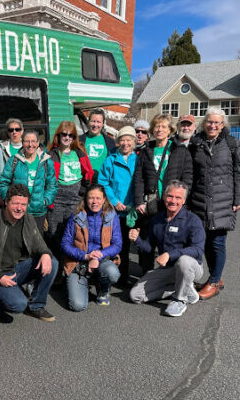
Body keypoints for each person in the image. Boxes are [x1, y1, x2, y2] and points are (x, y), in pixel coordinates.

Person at [0, 184, 58, 322]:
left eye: (23, 204)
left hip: (17, 269)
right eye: (15, 203)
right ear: (6, 202)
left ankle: (36, 306)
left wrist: (45, 253)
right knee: (18, 304)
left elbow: (38, 242)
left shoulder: (28, 219)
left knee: (52, 262)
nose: (19, 208)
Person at [129, 181, 205, 317]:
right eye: (170, 196)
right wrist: (137, 240)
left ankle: (180, 300)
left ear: (184, 200)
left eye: (178, 198)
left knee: (184, 261)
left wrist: (170, 254)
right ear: (164, 197)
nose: (173, 201)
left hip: (192, 269)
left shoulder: (193, 220)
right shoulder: (157, 220)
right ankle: (182, 289)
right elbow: (149, 248)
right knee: (135, 296)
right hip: (168, 269)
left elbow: (198, 250)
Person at [189, 107, 240, 299]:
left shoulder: (231, 143)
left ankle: (214, 281)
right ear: (204, 123)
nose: (213, 125)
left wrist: (238, 197)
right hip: (200, 198)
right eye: (210, 121)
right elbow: (192, 173)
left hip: (223, 199)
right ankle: (215, 277)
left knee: (218, 241)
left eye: (217, 122)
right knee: (206, 242)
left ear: (222, 125)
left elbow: (238, 172)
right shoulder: (196, 143)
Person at [133, 113, 193, 272]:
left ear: (170, 130)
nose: (159, 129)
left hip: (171, 202)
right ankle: (145, 273)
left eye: (163, 126)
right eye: (157, 126)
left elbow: (187, 176)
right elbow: (139, 178)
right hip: (151, 202)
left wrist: (182, 199)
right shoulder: (146, 151)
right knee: (147, 237)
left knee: (170, 239)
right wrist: (139, 200)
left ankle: (168, 275)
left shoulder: (180, 150)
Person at [61, 184, 122, 310]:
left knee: (113, 273)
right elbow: (65, 244)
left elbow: (117, 244)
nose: (95, 202)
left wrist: (99, 256)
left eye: (98, 198)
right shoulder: (76, 216)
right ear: (85, 199)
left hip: (102, 259)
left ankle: (103, 288)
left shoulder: (112, 216)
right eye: (91, 198)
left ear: (104, 199)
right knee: (77, 306)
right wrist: (86, 256)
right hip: (79, 262)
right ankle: (85, 281)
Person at [46, 121, 93, 255]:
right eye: (64, 134)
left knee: (73, 231)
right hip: (57, 198)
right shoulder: (52, 153)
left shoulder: (79, 152)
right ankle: (56, 266)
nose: (67, 138)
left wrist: (83, 190)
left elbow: (88, 173)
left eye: (71, 135)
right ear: (58, 135)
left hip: (75, 197)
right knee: (54, 232)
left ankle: (70, 266)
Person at [98, 126, 138, 285]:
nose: (126, 143)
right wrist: (115, 202)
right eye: (122, 139)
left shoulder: (139, 159)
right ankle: (109, 275)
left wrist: (134, 202)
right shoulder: (111, 159)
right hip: (115, 209)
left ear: (134, 142)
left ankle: (124, 277)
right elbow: (103, 182)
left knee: (127, 245)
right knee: (114, 243)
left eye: (129, 140)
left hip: (132, 208)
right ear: (118, 141)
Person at [0, 130, 58, 233]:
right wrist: (9, 200)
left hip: (38, 211)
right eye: (27, 141)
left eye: (33, 141)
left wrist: (45, 201)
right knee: (17, 244)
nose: (30, 145)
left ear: (38, 143)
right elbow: (3, 182)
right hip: (18, 211)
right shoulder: (14, 160)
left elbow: (52, 185)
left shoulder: (46, 161)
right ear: (22, 142)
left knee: (35, 245)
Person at [79, 108, 116, 181]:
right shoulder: (79, 140)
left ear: (103, 123)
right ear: (88, 122)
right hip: (83, 183)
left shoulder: (110, 142)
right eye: (93, 121)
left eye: (98, 122)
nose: (95, 125)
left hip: (102, 183)